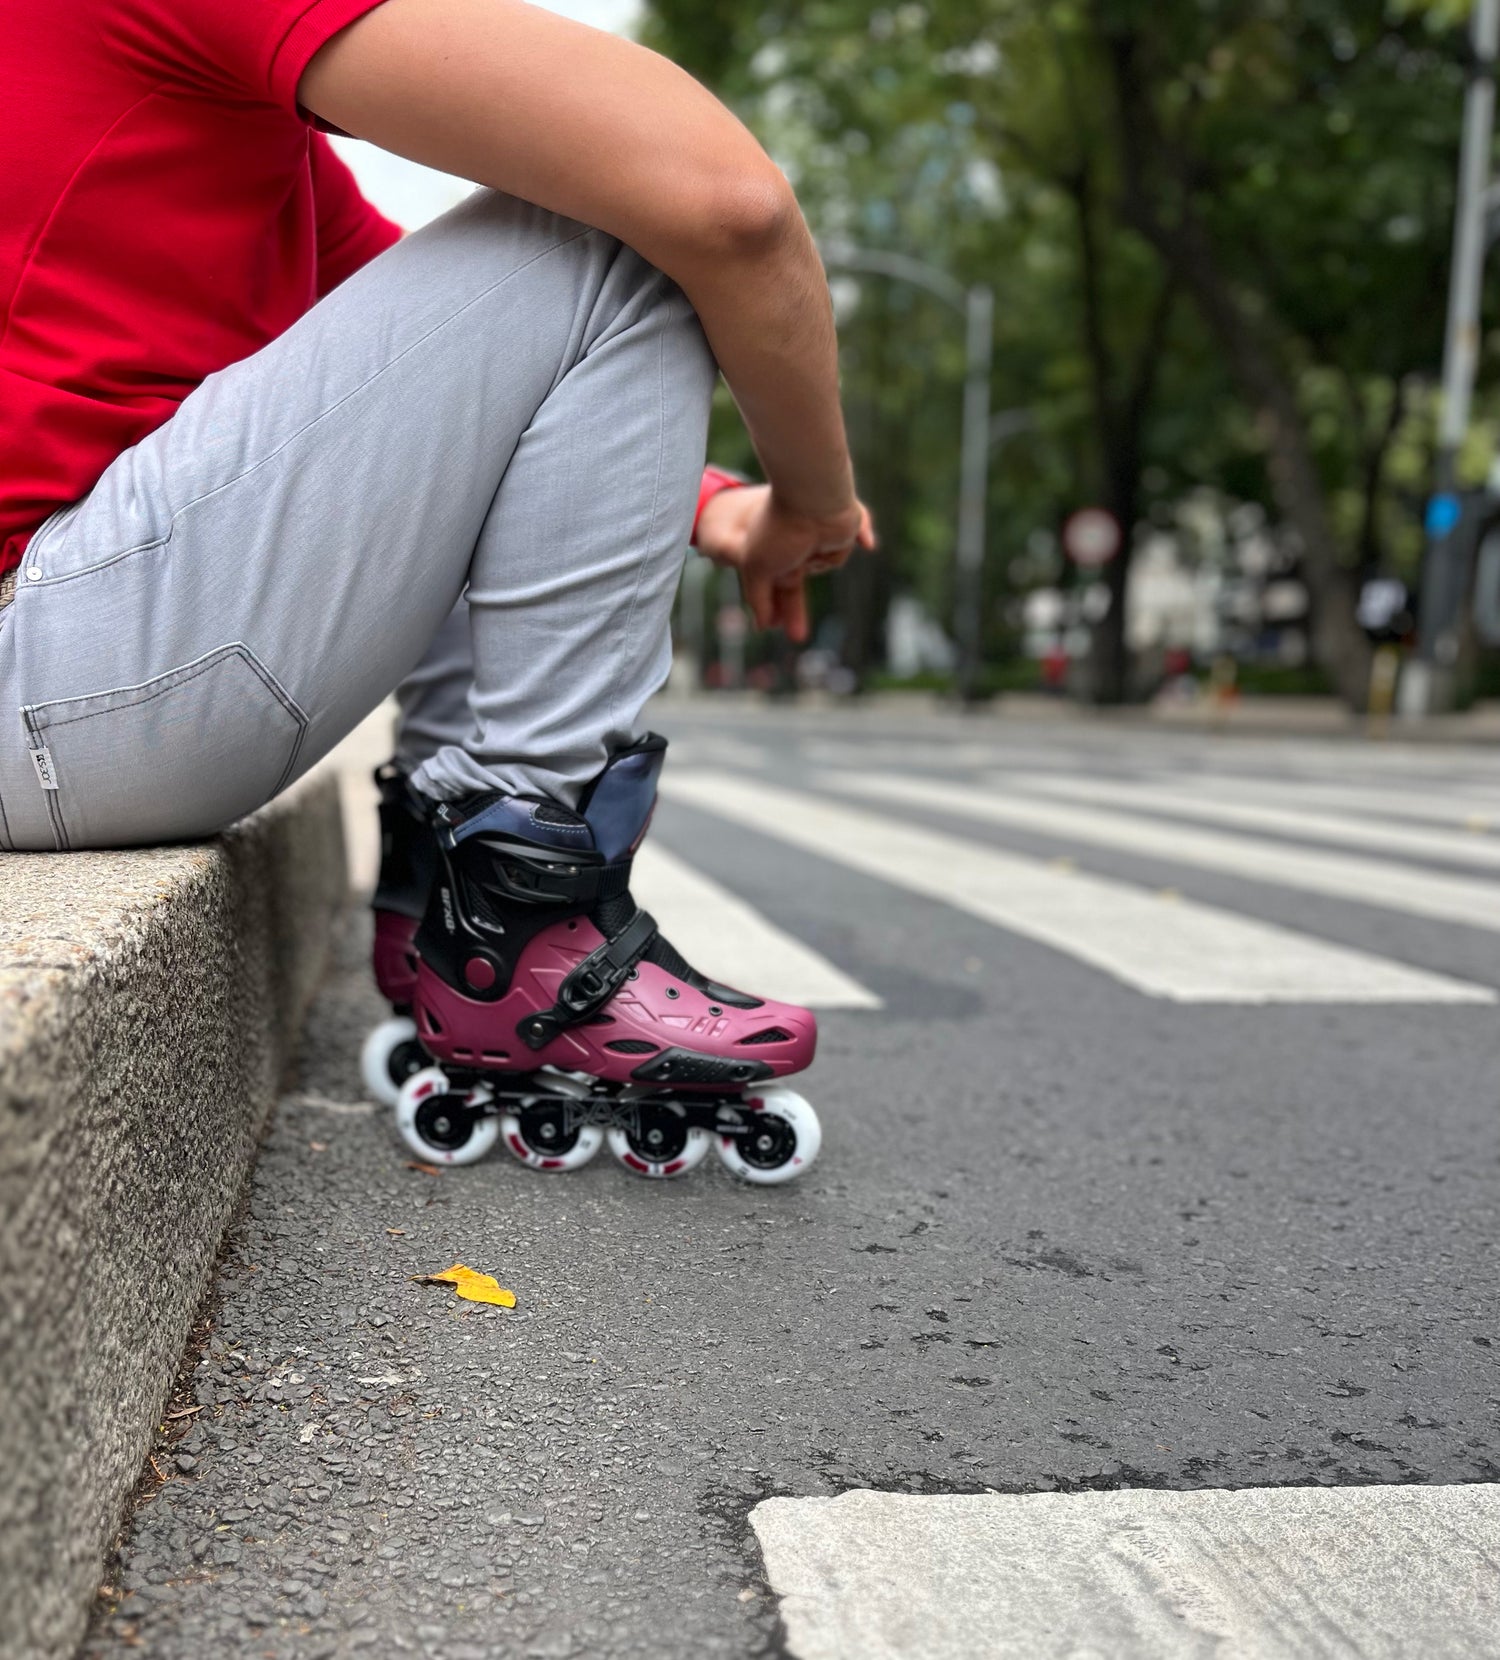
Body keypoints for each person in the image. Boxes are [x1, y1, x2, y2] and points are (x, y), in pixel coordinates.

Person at [3, 0, 871, 1178]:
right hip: (43, 664)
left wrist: (717, 501)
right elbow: (727, 199)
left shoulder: (232, 144)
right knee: (621, 224)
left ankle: (445, 902)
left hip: (61, 672)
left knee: (591, 232)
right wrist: (812, 502)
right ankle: (522, 920)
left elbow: (461, 392)